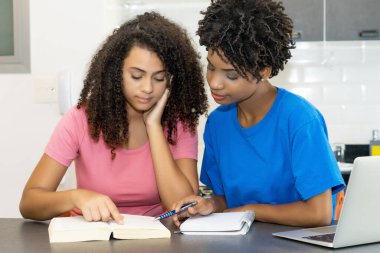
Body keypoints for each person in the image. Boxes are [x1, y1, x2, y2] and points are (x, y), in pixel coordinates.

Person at [19, 12, 208, 224]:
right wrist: (76, 196)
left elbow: (181, 206)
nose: (147, 88)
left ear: (171, 80)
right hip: (95, 239)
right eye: (136, 76)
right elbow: (29, 203)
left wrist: (153, 126)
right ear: (116, 72)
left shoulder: (178, 123)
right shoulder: (81, 119)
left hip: (158, 239)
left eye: (159, 78)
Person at [172, 0, 345, 227]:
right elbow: (226, 200)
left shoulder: (300, 119)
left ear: (263, 71)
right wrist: (210, 204)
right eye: (211, 67)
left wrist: (250, 210)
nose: (214, 83)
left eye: (231, 75)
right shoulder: (218, 123)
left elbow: (318, 214)